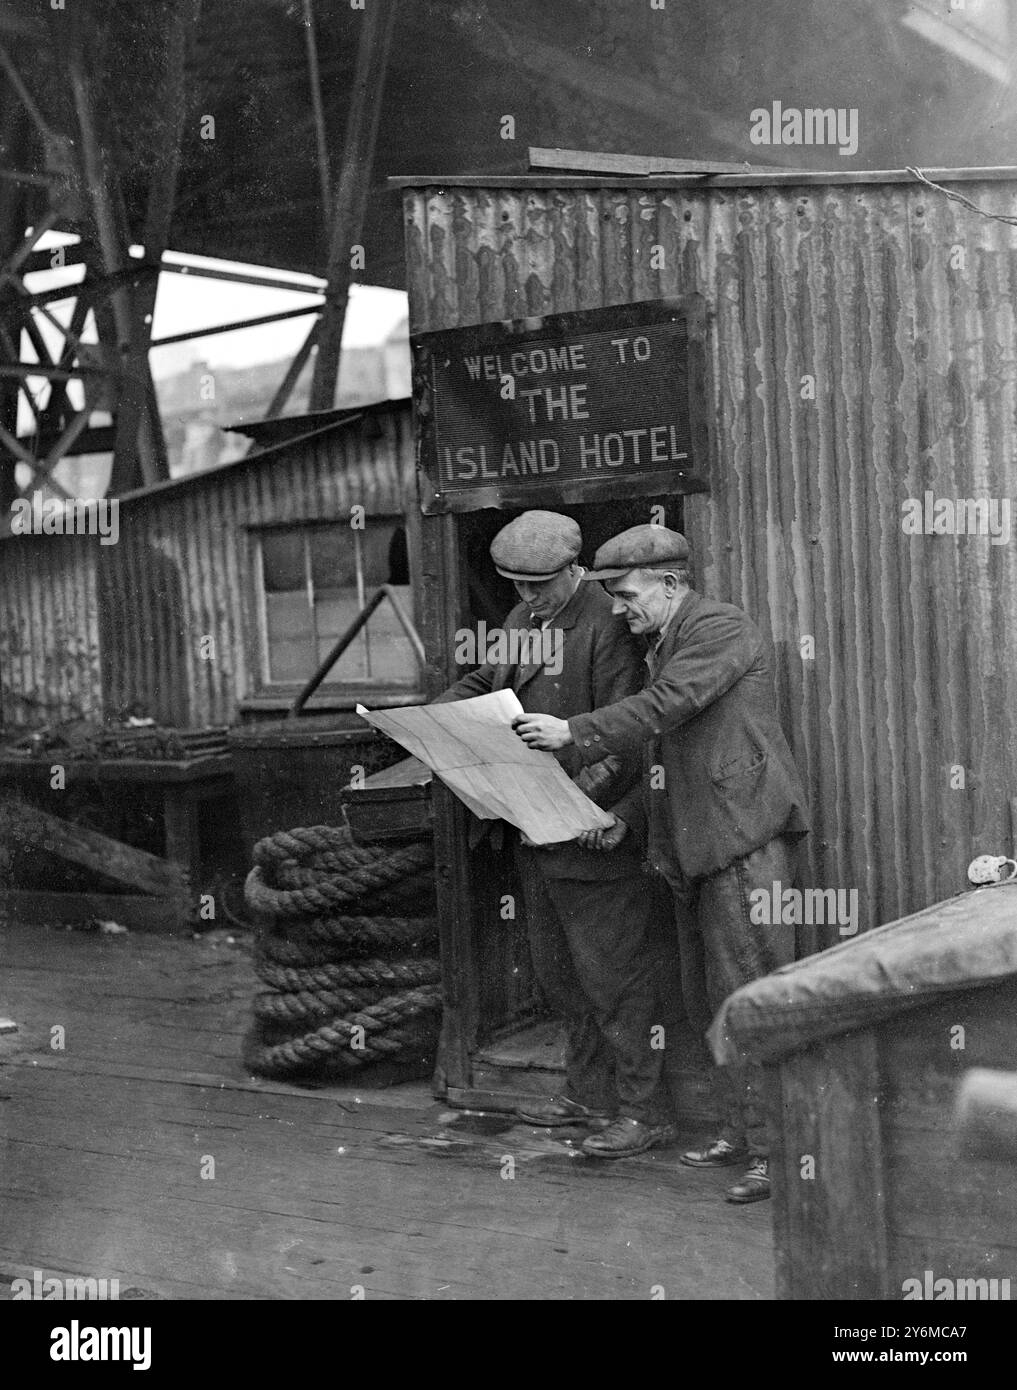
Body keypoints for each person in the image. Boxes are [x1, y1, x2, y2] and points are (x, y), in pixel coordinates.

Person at [513, 523, 810, 1202]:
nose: (618, 609)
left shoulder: (719, 629)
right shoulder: (665, 643)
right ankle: (738, 1135)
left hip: (738, 839)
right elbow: (662, 748)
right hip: (696, 846)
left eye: (626, 594)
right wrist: (625, 818)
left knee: (753, 994)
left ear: (670, 583)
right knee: (713, 997)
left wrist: (574, 731)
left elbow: (666, 707)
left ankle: (775, 1153)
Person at [434, 510, 676, 1158]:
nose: (526, 598)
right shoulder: (523, 621)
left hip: (593, 830)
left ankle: (643, 1110)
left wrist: (585, 810)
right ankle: (589, 1097)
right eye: (515, 585)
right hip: (535, 827)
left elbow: (633, 732)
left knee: (615, 979)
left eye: (537, 585)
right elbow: (490, 681)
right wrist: (434, 716)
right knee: (559, 974)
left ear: (573, 570)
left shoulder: (607, 625)